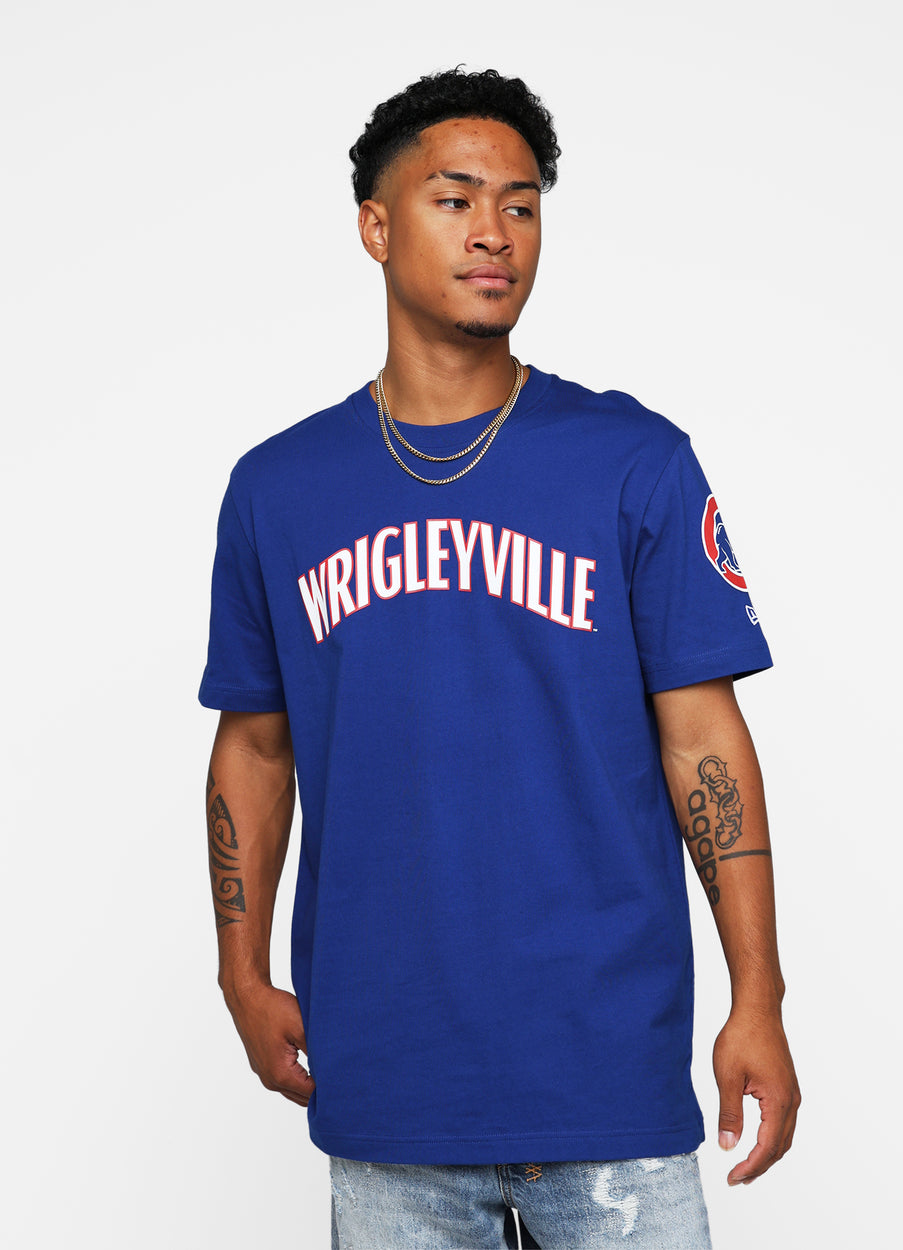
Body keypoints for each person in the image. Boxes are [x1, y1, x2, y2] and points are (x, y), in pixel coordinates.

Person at [200, 66, 799, 1249]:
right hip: (390, 1082)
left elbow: (703, 742)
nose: (494, 232)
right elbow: (255, 747)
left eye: (520, 205)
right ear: (376, 227)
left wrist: (759, 997)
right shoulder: (279, 488)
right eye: (455, 198)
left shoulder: (632, 460)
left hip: (609, 1078)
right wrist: (241, 970)